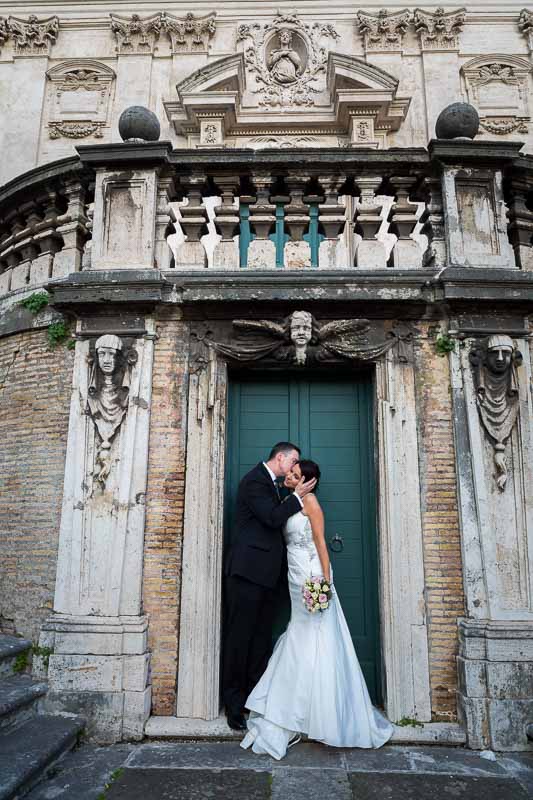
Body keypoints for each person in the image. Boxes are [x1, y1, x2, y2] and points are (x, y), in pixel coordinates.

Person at [241, 459, 394, 759]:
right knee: (301, 631)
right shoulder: (286, 501)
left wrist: (325, 582)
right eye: (291, 473)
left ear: (307, 483)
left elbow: (321, 543)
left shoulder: (310, 503)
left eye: (296, 476)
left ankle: (315, 712)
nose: (290, 477)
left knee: (312, 636)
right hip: (294, 576)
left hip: (311, 574)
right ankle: (303, 708)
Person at [222, 442, 317, 731]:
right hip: (247, 575)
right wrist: (298, 496)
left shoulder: (273, 484)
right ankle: (234, 707)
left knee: (260, 640)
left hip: (267, 578)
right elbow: (272, 518)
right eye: (294, 461)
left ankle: (255, 699)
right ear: (281, 458)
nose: (295, 468)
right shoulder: (254, 482)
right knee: (240, 640)